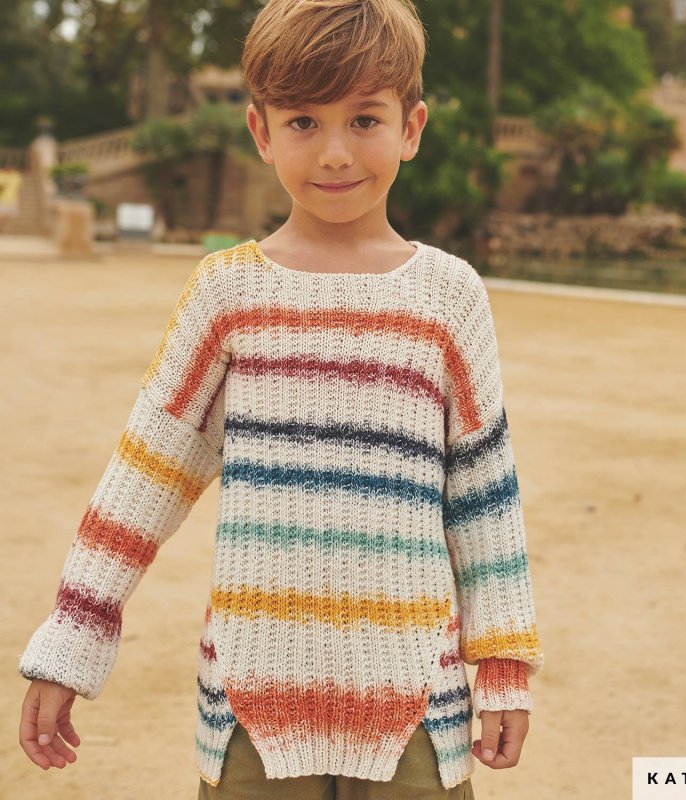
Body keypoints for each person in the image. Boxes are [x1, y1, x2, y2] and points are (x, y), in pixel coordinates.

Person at [18, 0, 545, 797]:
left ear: (411, 127)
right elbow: (145, 474)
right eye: (303, 121)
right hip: (249, 711)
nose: (335, 152)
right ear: (261, 132)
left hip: (413, 708)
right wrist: (73, 638)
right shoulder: (226, 294)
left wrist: (503, 666)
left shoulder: (450, 297)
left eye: (364, 119)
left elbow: (483, 497)